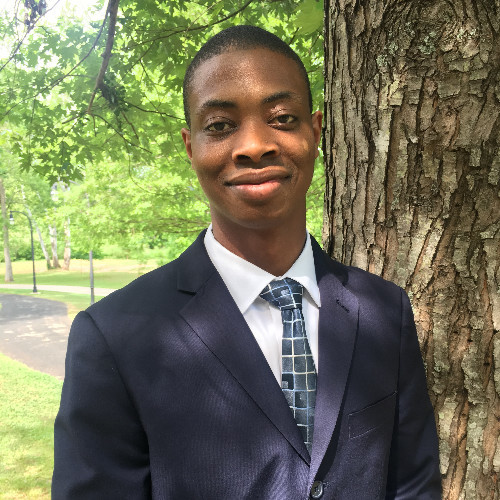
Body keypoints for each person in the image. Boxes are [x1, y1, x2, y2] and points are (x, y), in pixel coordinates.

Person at [52, 25, 441, 499]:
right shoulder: (114, 336)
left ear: (315, 131)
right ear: (190, 146)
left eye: (282, 118)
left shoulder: (383, 309)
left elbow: (413, 485)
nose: (254, 145)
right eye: (220, 125)